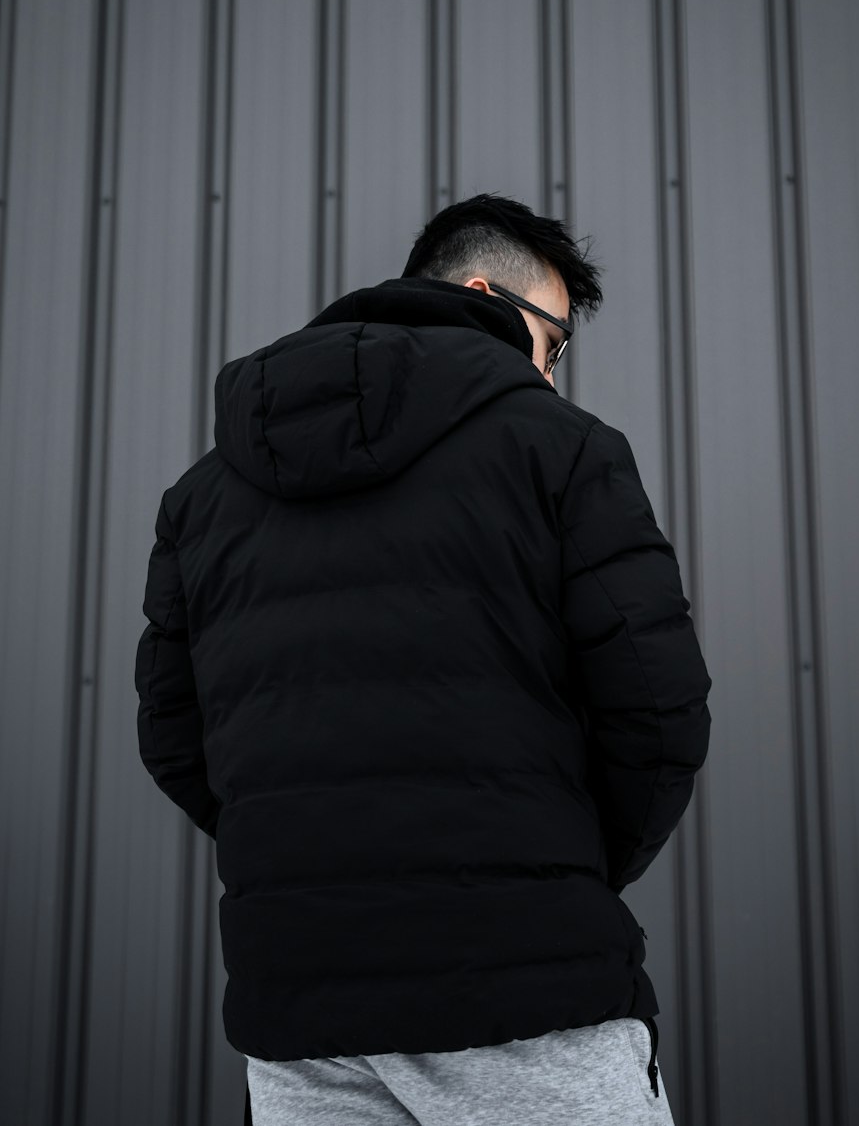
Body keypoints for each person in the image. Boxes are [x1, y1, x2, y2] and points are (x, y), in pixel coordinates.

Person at [135, 192, 712, 1125]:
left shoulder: (205, 494)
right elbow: (660, 709)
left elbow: (172, 735)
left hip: (303, 1010)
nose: (555, 374)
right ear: (486, 293)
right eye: (555, 342)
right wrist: (550, 864)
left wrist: (314, 860)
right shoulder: (562, 451)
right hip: (529, 992)